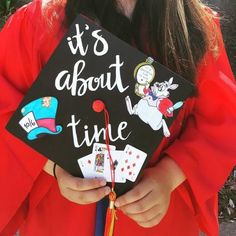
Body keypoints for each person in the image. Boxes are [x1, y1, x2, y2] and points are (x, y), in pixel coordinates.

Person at [0, 0, 235, 235]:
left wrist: (169, 175)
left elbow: (221, 120)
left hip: (155, 215)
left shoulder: (191, 27)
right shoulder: (40, 22)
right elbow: (6, 107)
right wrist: (54, 167)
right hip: (64, 215)